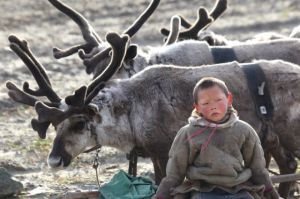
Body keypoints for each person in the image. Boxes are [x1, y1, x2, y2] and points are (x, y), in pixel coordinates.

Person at [155, 77, 279, 199]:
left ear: (229, 99)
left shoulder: (244, 130)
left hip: (238, 187)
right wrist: (161, 195)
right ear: (197, 107)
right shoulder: (188, 133)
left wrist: (271, 191)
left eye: (218, 100)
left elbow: (257, 168)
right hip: (201, 188)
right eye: (206, 103)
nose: (213, 106)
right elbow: (175, 172)